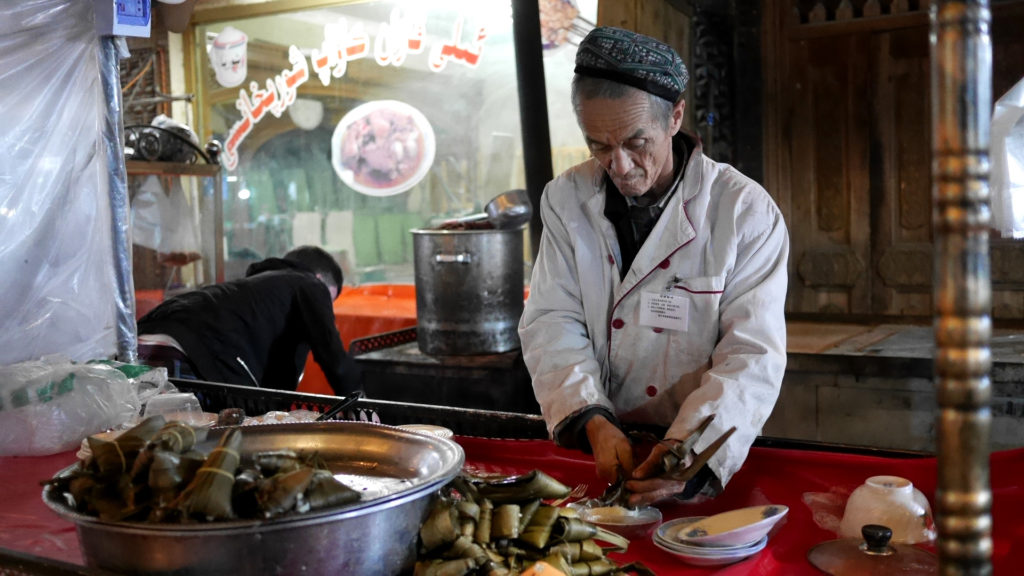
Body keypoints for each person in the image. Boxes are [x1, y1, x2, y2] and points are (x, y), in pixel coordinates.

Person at [518, 26, 789, 507]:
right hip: (605, 441)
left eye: (635, 142)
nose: (619, 165)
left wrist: (687, 450)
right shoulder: (566, 199)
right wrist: (591, 419)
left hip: (700, 449)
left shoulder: (744, 211)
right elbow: (552, 319)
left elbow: (752, 356)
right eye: (599, 145)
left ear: (675, 117)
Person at [137, 245, 362, 396]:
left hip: (144, 340)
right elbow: (331, 353)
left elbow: (279, 377)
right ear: (320, 279)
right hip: (189, 352)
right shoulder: (309, 284)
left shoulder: (255, 291)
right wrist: (363, 408)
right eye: (328, 301)